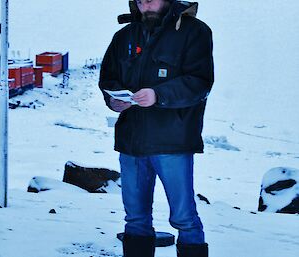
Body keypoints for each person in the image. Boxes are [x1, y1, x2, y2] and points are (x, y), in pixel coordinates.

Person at [99, 0, 214, 256]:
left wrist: (158, 95)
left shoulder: (194, 31)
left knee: (185, 219)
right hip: (131, 142)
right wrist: (113, 101)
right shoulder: (124, 36)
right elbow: (108, 77)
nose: (145, 4)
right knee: (135, 219)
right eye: (140, 0)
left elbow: (199, 82)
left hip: (173, 142)